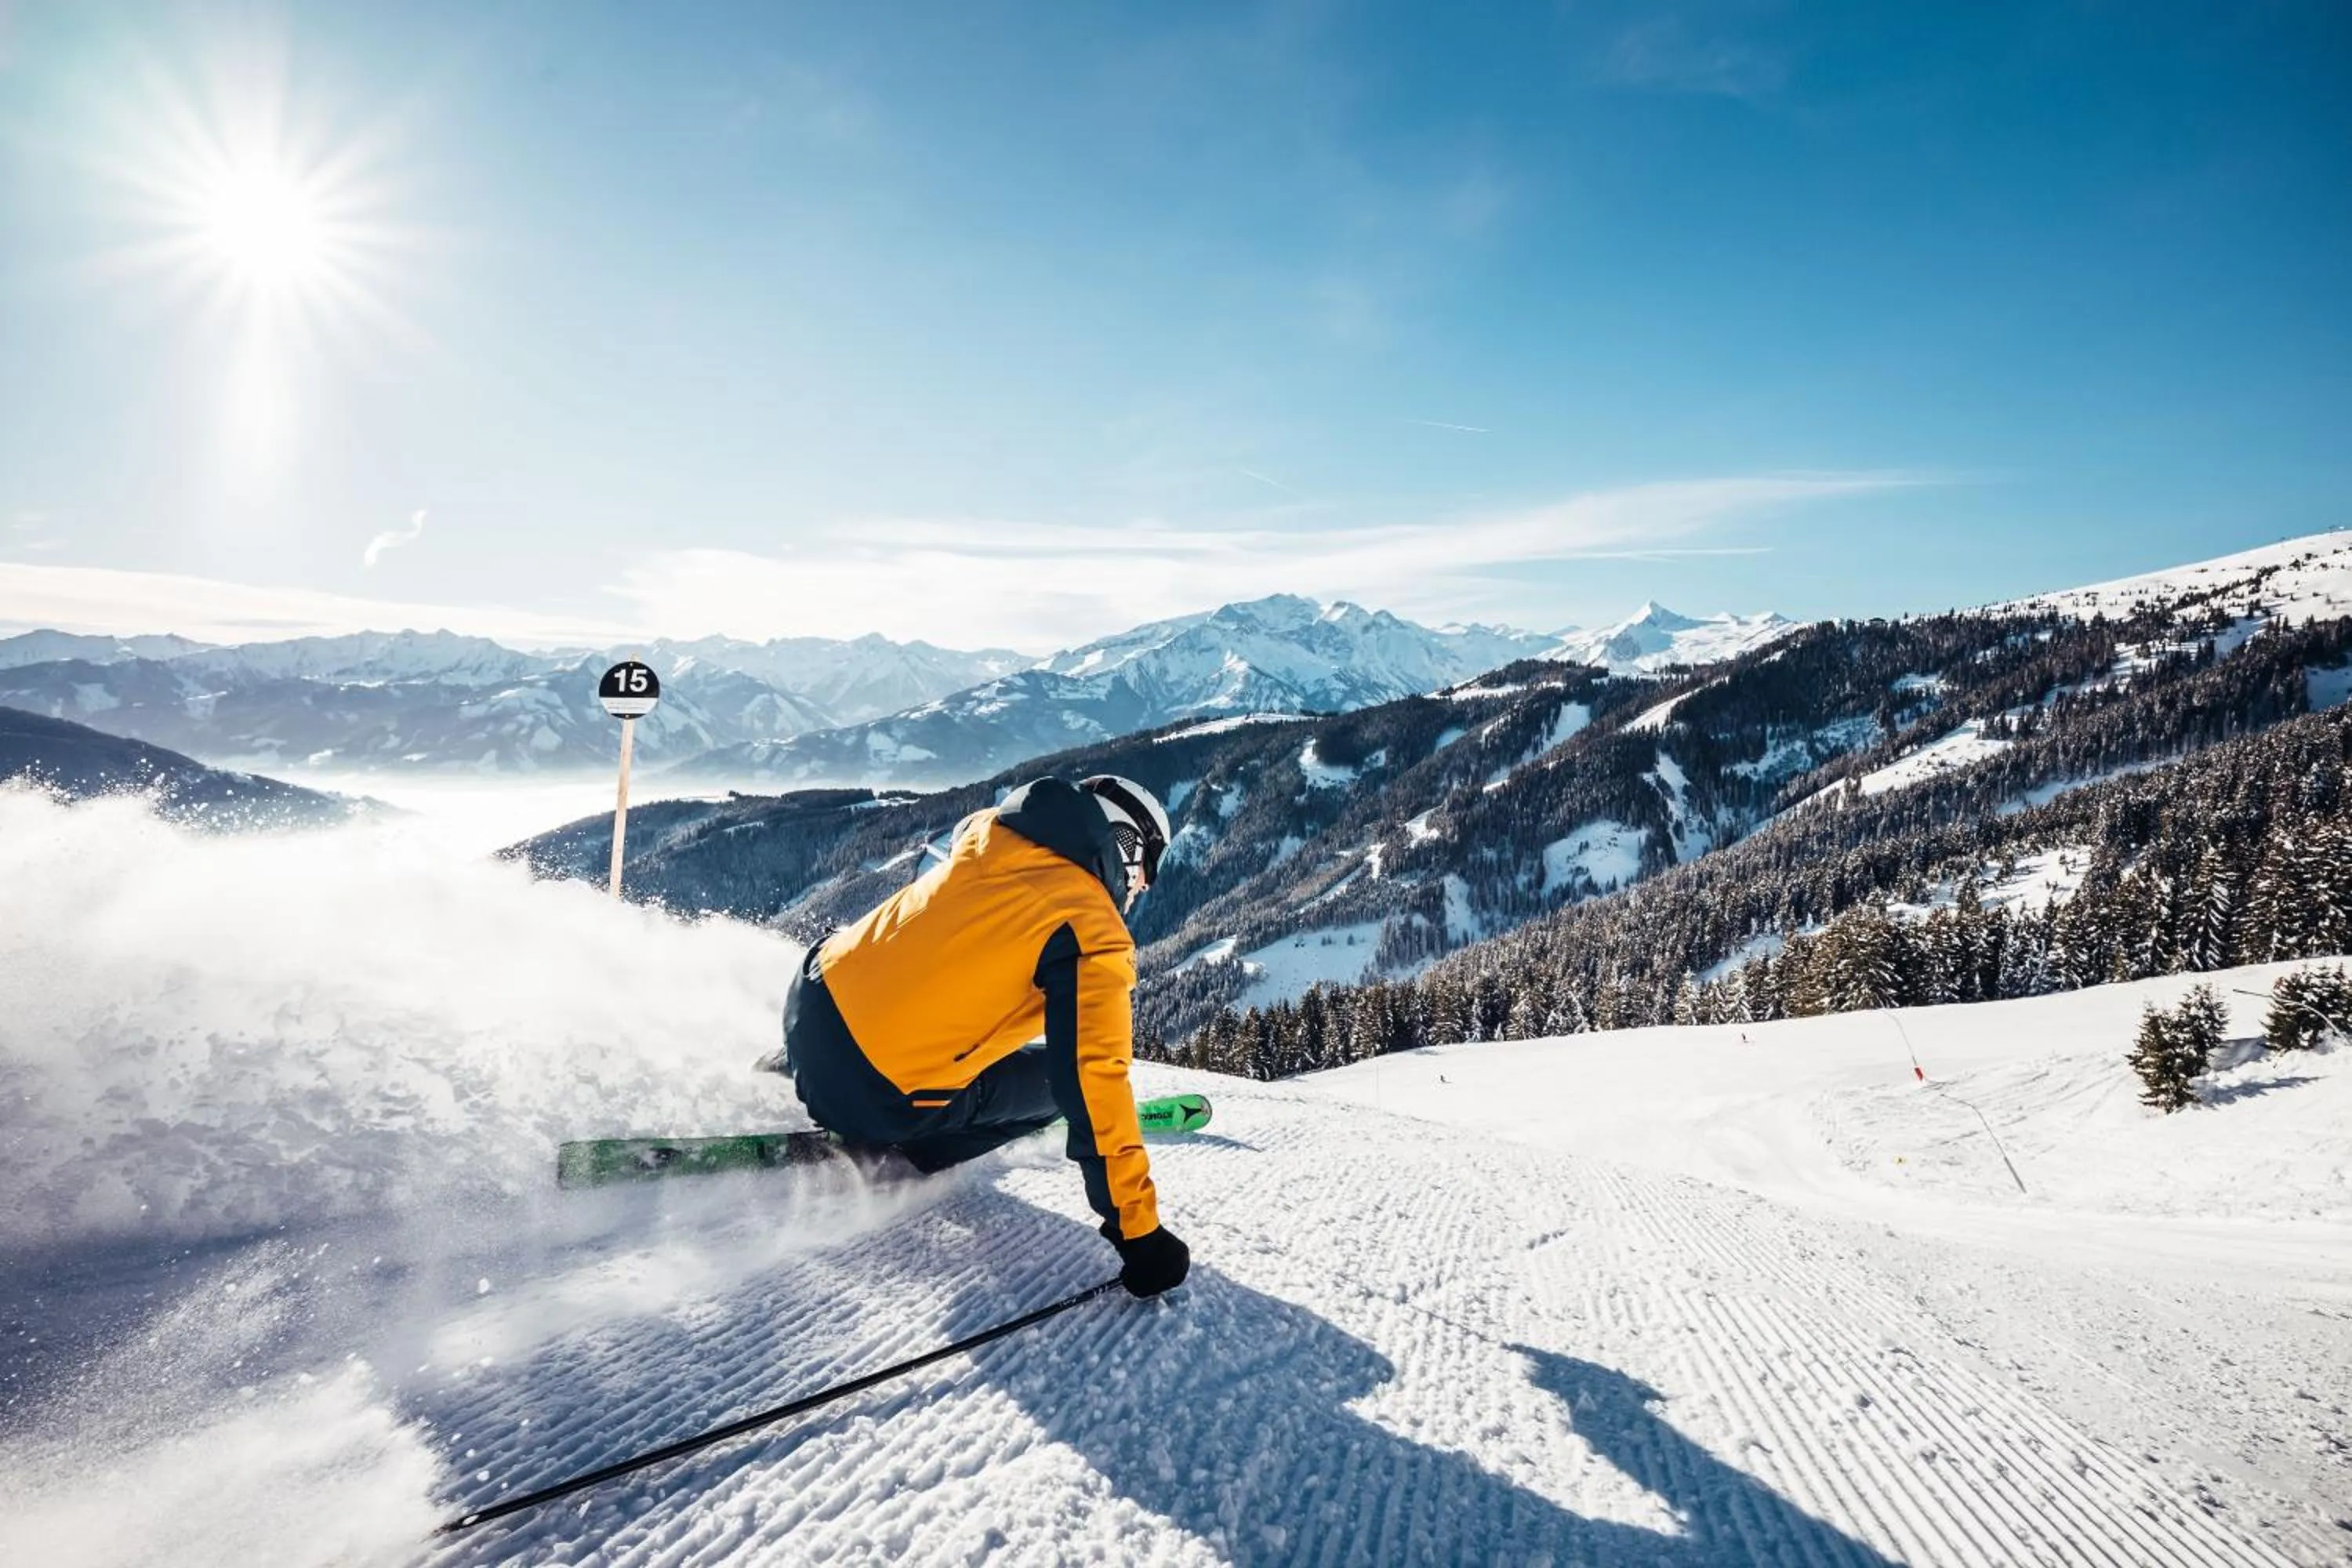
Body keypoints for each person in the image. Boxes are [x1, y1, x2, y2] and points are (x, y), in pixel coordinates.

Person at [759, 774, 1190, 1299]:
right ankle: (908, 1148)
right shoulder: (1090, 927)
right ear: (1127, 843)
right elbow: (1093, 1077)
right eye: (1149, 868)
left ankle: (792, 1062)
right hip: (867, 1095)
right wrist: (1139, 1233)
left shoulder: (990, 834)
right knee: (1058, 1087)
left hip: (809, 1000)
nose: (1143, 886)